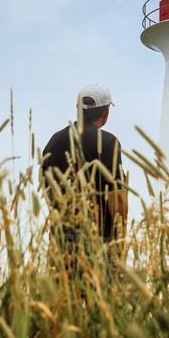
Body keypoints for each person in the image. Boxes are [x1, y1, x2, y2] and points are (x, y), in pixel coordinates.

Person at [41, 85, 128, 271]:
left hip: (61, 242)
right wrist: (121, 239)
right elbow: (117, 197)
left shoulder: (53, 142)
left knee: (63, 299)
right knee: (102, 299)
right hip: (100, 243)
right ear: (105, 112)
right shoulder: (107, 142)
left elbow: (48, 191)